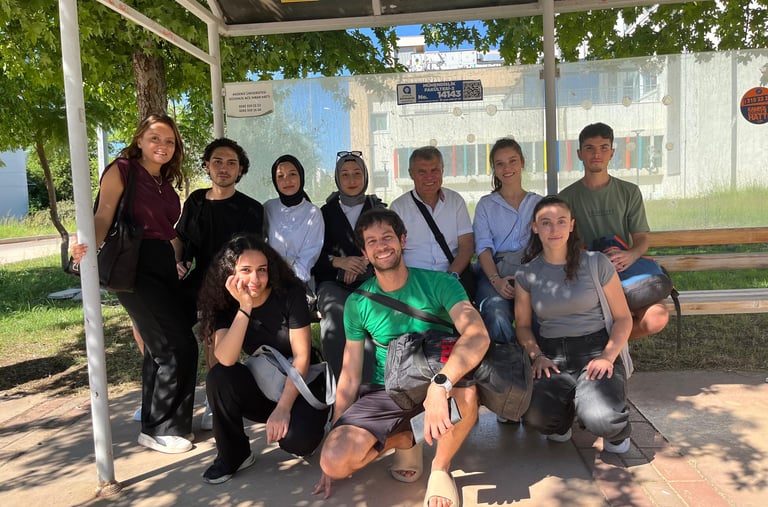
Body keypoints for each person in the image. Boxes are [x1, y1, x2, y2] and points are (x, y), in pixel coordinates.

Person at [312, 208, 490, 507]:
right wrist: (336, 431)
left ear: (402, 240)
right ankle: (408, 438)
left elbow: (477, 334)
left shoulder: (440, 283)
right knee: (334, 461)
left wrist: (440, 385)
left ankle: (440, 468)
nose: (381, 246)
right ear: (364, 252)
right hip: (388, 388)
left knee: (466, 391)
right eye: (372, 241)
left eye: (387, 237)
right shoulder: (358, 302)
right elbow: (351, 374)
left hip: (440, 378)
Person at [71, 113, 198, 454]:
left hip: (162, 264)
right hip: (133, 265)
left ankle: (161, 422)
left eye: (169, 141)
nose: (162, 146)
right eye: (155, 138)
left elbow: (166, 232)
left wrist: (177, 260)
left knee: (159, 347)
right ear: (139, 140)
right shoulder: (122, 170)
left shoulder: (164, 182)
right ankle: (161, 428)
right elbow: (102, 216)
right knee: (176, 345)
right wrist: (84, 246)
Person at [197, 235, 330, 484]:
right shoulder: (226, 304)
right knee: (219, 376)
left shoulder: (290, 293)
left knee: (298, 443)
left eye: (262, 270)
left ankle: (316, 420)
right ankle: (234, 455)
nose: (255, 279)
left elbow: (301, 357)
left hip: (302, 383)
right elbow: (225, 358)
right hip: (266, 383)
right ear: (230, 273)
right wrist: (245, 306)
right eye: (246, 270)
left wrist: (283, 409)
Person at [514, 196, 633, 453]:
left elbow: (623, 318)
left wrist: (608, 357)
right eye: (546, 223)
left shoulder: (596, 263)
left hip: (595, 351)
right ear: (535, 227)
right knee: (537, 419)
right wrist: (537, 356)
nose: (554, 229)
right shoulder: (527, 273)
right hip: (552, 357)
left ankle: (616, 430)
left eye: (561, 221)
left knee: (602, 418)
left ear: (571, 225)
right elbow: (522, 326)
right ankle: (563, 419)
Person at [172, 137, 265, 430]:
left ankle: (214, 400)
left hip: (230, 284)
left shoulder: (251, 208)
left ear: (240, 170)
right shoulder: (196, 201)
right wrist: (176, 261)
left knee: (214, 333)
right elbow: (181, 240)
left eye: (231, 163)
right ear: (207, 166)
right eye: (218, 162)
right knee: (159, 324)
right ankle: (167, 398)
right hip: (196, 280)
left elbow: (250, 254)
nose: (224, 168)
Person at [559, 122, 669, 340]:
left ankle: (603, 346)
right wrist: (589, 260)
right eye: (589, 148)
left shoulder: (629, 191)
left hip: (624, 270)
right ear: (579, 154)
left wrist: (630, 255)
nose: (596, 154)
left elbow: (642, 238)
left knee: (656, 318)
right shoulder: (566, 197)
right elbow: (559, 245)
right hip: (587, 274)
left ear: (612, 153)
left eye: (603, 147)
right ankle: (601, 348)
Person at [313, 150, 385, 380]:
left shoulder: (378, 209)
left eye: (357, 173)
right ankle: (341, 387)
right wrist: (339, 262)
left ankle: (373, 388)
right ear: (337, 178)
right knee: (335, 321)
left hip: (371, 280)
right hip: (333, 283)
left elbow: (390, 245)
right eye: (345, 174)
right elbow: (314, 255)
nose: (351, 180)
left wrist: (366, 260)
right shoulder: (325, 213)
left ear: (365, 176)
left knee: (373, 320)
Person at [473, 138, 542, 345]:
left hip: (531, 268)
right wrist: (496, 280)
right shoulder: (486, 205)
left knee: (542, 312)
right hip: (496, 268)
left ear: (522, 162)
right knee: (495, 312)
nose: (507, 168)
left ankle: (540, 359)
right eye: (500, 164)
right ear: (494, 169)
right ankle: (508, 360)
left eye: (512, 161)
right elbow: (483, 249)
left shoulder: (538, 203)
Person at [389, 146, 474, 286]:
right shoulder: (398, 207)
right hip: (413, 282)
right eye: (422, 172)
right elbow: (393, 251)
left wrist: (450, 278)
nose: (429, 177)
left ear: (442, 171)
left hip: (451, 278)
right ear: (411, 174)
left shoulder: (455, 201)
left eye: (435, 170)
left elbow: (467, 245)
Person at [264, 154, 324, 289]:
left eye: (292, 174)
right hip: (268, 280)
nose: (287, 180)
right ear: (275, 181)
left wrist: (288, 280)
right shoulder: (268, 208)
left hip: (299, 283)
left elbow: (309, 256)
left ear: (301, 177)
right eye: (280, 176)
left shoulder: (313, 213)